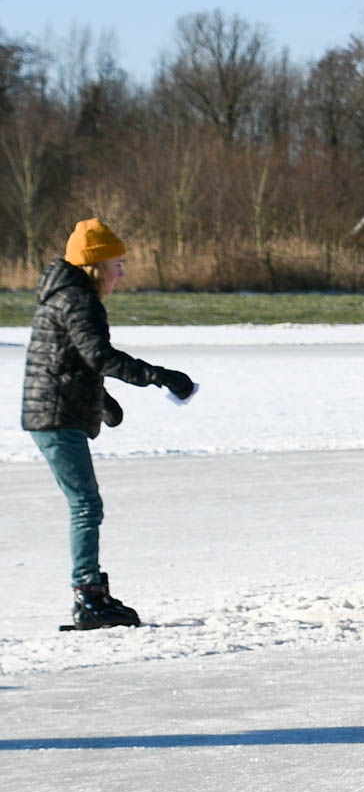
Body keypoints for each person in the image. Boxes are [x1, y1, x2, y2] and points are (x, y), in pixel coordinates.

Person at [21, 217, 197, 630]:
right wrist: (161, 377)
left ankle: (91, 592)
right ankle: (89, 597)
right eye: (117, 265)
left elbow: (69, 359)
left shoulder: (66, 294)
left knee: (86, 503)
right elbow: (99, 355)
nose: (122, 273)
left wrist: (100, 400)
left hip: (56, 412)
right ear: (96, 266)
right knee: (86, 505)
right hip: (54, 417)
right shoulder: (76, 298)